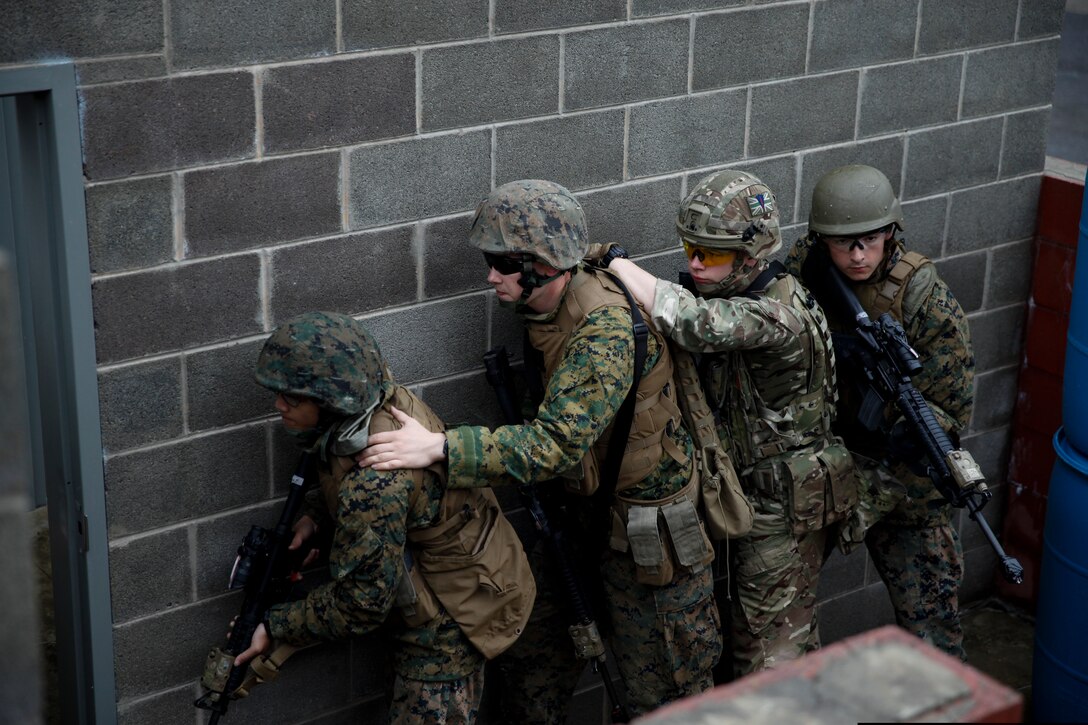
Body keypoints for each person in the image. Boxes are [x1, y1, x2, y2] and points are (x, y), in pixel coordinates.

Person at [358, 179, 722, 722]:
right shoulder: (551, 303)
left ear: (545, 266)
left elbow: (553, 445)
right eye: (491, 261)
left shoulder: (604, 332)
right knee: (532, 669)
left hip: (649, 540)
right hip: (583, 519)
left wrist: (439, 448)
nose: (491, 277)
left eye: (504, 264)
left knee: (669, 697)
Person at [604, 169, 858, 677]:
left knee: (769, 662)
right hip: (754, 498)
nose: (694, 263)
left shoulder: (776, 314)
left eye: (711, 255)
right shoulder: (751, 291)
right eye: (689, 247)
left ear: (752, 255)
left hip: (783, 511)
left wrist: (615, 263)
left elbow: (689, 320)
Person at [235, 311, 535, 724]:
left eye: (292, 397)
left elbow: (362, 604)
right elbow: (340, 468)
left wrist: (277, 625)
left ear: (330, 400)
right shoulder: (375, 402)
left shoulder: (375, 479)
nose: (278, 405)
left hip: (445, 635)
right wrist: (313, 520)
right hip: (444, 592)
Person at [784, 164, 974, 660]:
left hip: (902, 477)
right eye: (842, 243)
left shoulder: (926, 301)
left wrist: (911, 434)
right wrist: (833, 349)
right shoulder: (807, 265)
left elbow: (952, 407)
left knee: (932, 622)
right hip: (825, 456)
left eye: (869, 240)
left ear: (891, 232)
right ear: (820, 239)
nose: (856, 255)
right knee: (775, 597)